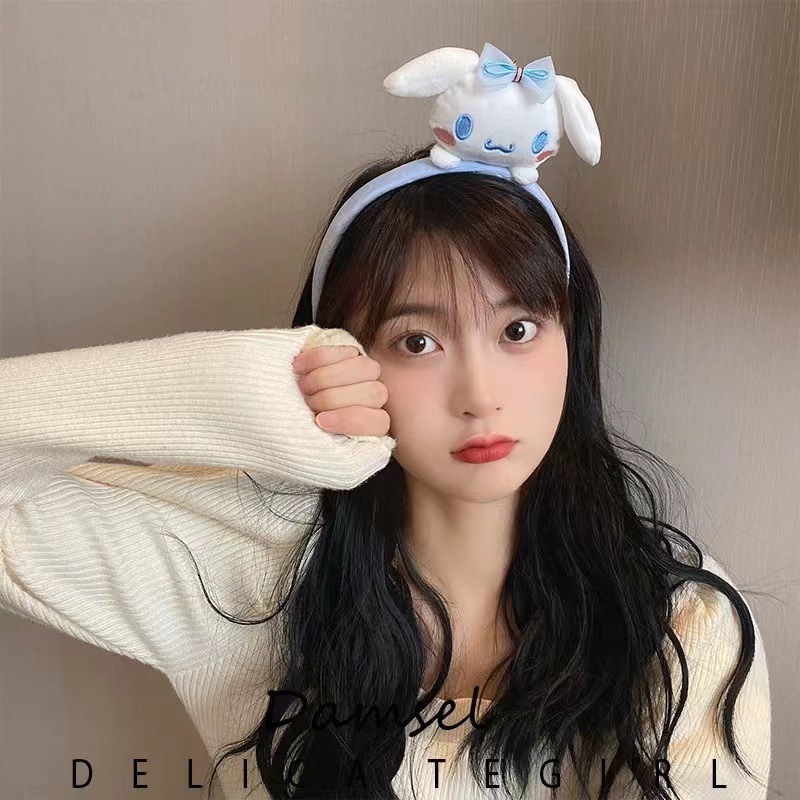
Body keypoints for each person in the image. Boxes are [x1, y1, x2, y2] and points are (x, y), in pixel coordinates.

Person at [0, 142, 771, 800]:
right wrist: (244, 392)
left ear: (574, 339)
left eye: (518, 328)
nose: (480, 397)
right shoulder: (248, 573)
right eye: (417, 342)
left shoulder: (680, 621)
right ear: (342, 357)